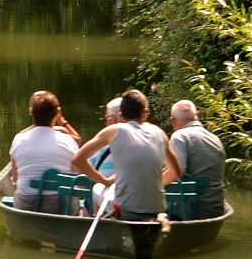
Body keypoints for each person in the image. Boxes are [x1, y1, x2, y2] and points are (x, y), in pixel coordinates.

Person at [71, 90, 181, 222]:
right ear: (144, 113)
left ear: (121, 116)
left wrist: (103, 181)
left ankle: (102, 230)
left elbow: (77, 160)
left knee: (97, 188)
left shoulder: (114, 131)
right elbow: (176, 172)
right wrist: (151, 185)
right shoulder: (160, 133)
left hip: (126, 208)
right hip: (156, 208)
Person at [9, 90, 80, 213]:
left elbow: (15, 178)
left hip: (26, 204)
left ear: (31, 112)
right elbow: (76, 172)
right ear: (56, 115)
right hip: (60, 206)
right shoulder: (67, 139)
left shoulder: (18, 139)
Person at [166, 99, 226, 219]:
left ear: (172, 121)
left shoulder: (179, 136)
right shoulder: (215, 139)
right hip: (216, 207)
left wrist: (154, 185)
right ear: (198, 115)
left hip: (190, 210)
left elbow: (176, 172)